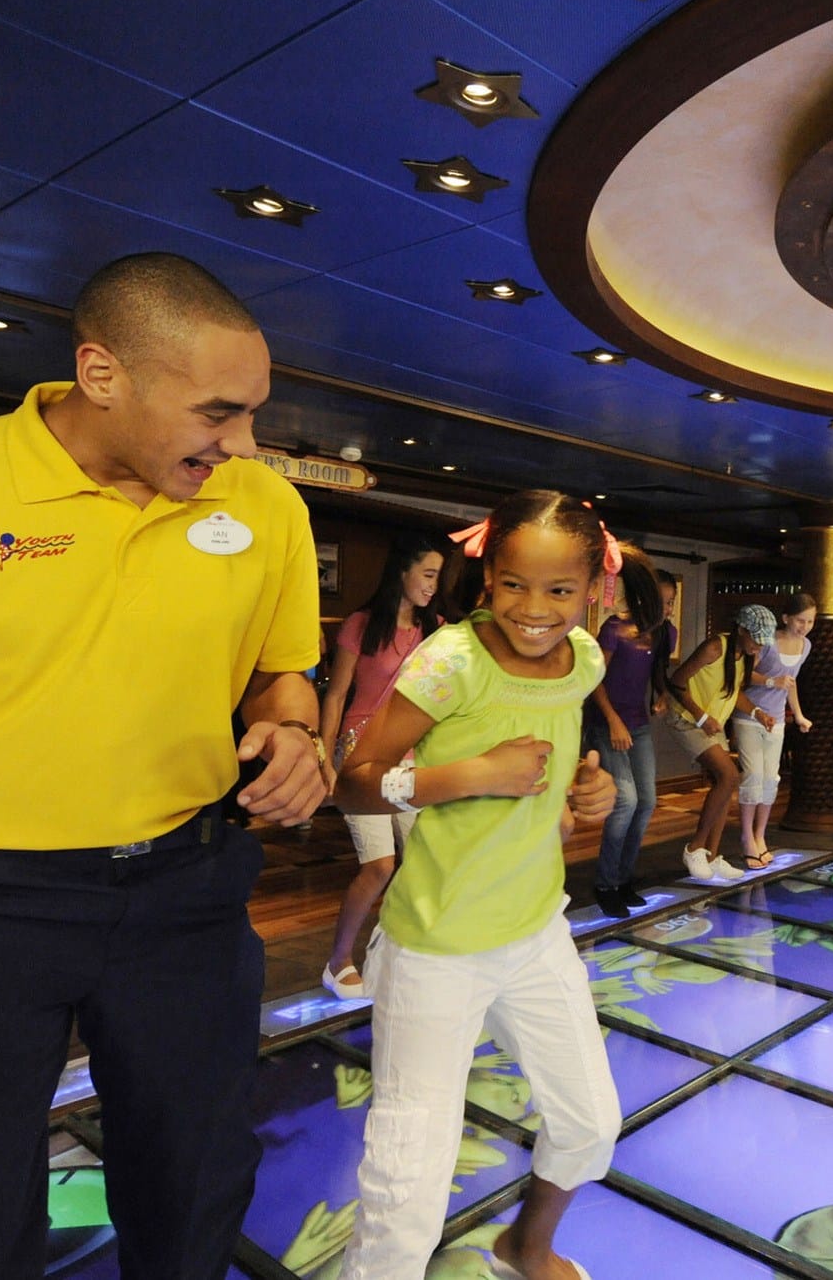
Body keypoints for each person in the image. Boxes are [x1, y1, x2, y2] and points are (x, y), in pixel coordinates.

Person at [0, 252, 329, 1278]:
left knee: (194, 1193)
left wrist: (295, 732)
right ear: (101, 374)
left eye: (255, 412)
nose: (246, 444)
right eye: (219, 411)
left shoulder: (267, 510)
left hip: (189, 885)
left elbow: (283, 671)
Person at [334, 489, 620, 1280]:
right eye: (514, 584)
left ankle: (524, 1245)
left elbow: (558, 770)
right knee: (408, 1190)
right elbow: (352, 782)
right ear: (487, 574)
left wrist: (582, 792)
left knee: (592, 1123)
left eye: (561, 589)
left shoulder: (585, 657)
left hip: (535, 932)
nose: (535, 608)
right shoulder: (450, 660)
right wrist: (469, 774)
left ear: (592, 588)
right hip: (435, 948)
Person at [318, 535, 447, 996]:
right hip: (361, 753)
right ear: (403, 572)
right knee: (379, 866)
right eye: (428, 574)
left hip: (412, 756)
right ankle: (337, 963)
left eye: (438, 576)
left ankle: (395, 951)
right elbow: (336, 695)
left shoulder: (437, 630)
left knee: (422, 864)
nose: (434, 585)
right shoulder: (362, 624)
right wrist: (325, 758)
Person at [583, 543, 672, 918]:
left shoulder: (664, 633)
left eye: (671, 602)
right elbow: (594, 679)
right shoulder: (614, 629)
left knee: (648, 801)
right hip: (608, 723)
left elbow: (657, 672)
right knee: (626, 802)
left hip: (639, 723)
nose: (666, 608)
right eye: (663, 601)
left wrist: (662, 695)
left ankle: (623, 878)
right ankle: (605, 883)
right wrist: (614, 720)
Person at [667, 604, 776, 881]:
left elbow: (732, 691)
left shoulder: (743, 655)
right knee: (728, 776)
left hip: (711, 723)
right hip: (687, 719)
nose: (758, 647)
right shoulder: (715, 647)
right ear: (741, 629)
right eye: (756, 639)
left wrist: (756, 712)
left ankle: (713, 857)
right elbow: (677, 682)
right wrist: (701, 717)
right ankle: (694, 849)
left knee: (726, 783)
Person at [735, 593, 816, 869]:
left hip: (778, 719)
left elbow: (790, 684)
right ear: (786, 619)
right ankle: (746, 838)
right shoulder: (767, 642)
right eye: (800, 620)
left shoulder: (805, 646)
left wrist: (800, 715)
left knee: (771, 780)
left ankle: (760, 836)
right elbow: (745, 676)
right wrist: (771, 681)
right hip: (749, 715)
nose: (804, 627)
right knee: (753, 777)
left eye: (809, 622)